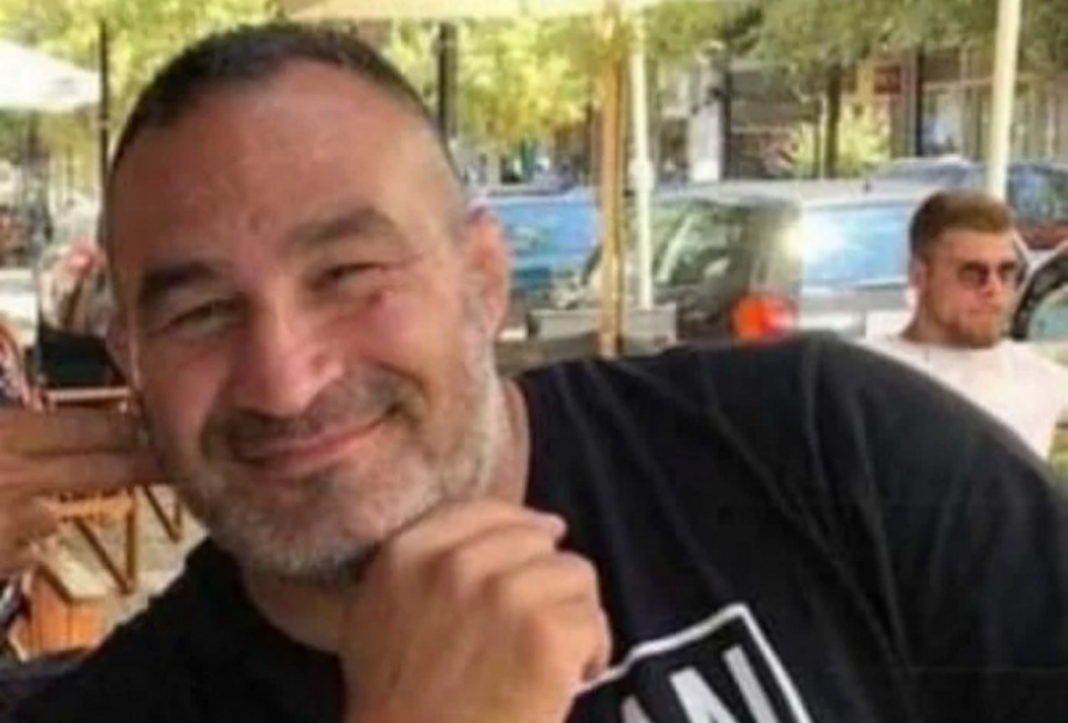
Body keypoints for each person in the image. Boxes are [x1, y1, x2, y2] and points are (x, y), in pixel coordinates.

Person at [8, 23, 1068, 723]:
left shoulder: (822, 442)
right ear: (130, 362)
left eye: (349, 274)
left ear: (483, 278)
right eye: (200, 312)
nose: (284, 380)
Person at [866, 189, 1068, 458]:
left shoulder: (1037, 377)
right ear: (919, 275)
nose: (994, 289)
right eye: (973, 273)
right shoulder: (865, 374)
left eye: (1006, 272)